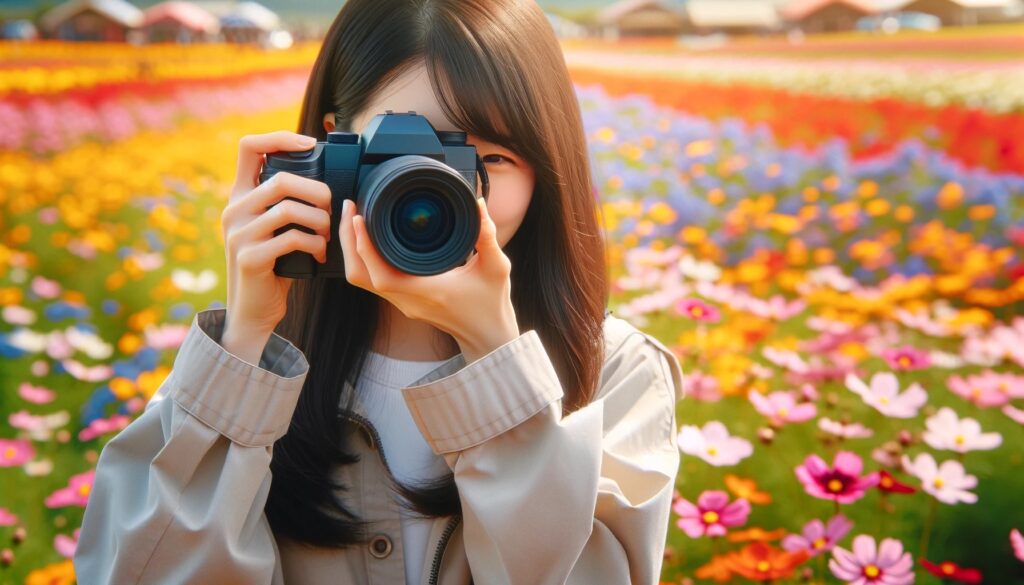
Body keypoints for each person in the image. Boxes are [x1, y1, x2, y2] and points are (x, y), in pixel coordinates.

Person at [73, 1, 686, 583]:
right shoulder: (249, 367)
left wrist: (499, 361)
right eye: (405, 154)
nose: (444, 192)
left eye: (490, 158)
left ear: (546, 165)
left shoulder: (614, 373)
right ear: (333, 148)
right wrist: (242, 346)